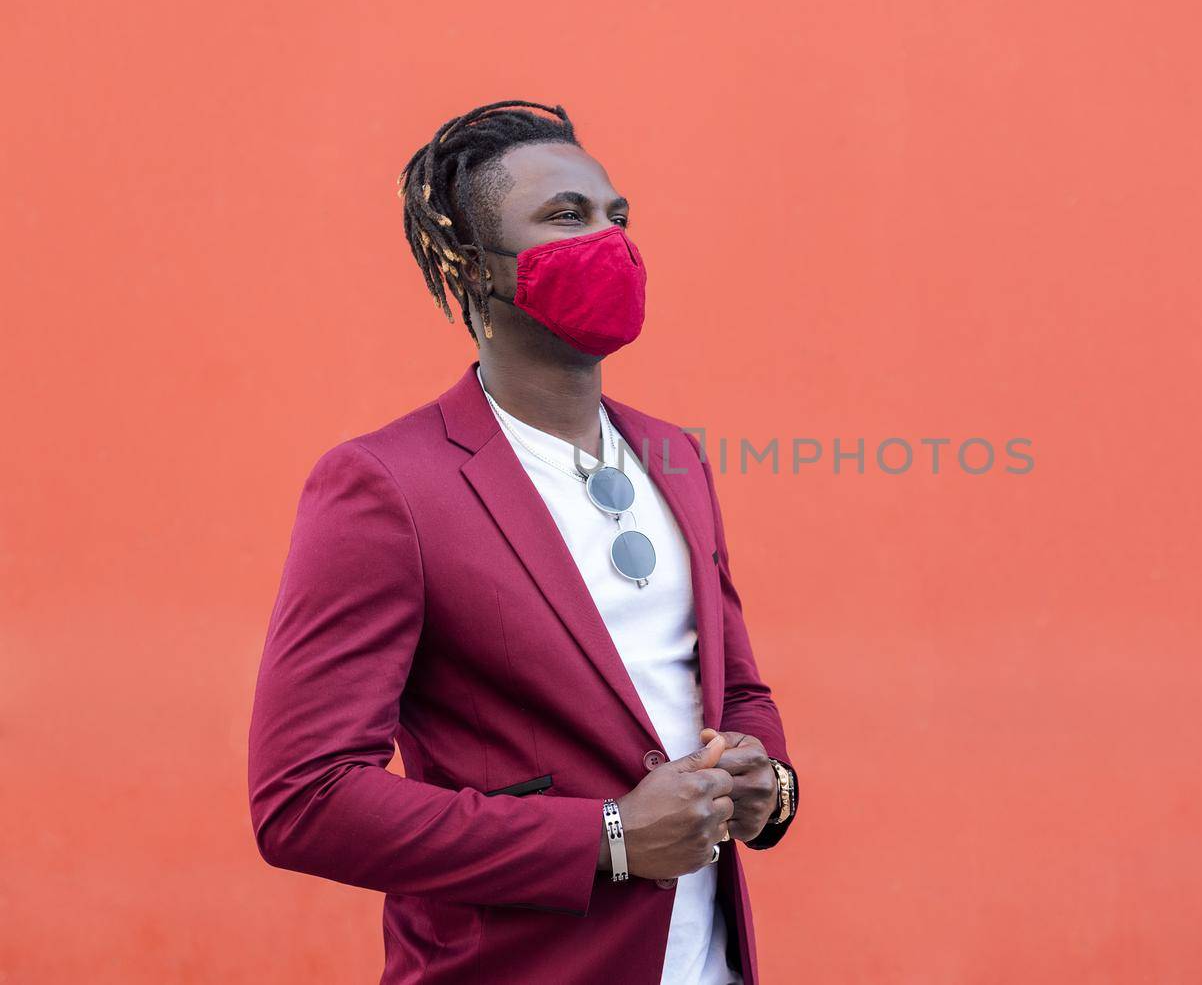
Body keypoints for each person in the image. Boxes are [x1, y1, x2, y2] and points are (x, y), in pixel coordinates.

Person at [247, 100, 799, 984]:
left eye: (618, 216)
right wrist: (608, 839)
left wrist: (765, 779)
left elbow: (737, 688)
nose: (610, 241)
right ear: (474, 272)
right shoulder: (384, 486)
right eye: (566, 217)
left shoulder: (677, 456)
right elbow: (304, 801)